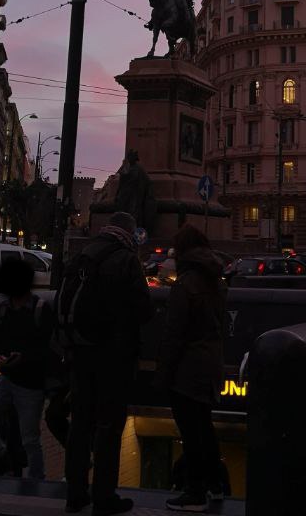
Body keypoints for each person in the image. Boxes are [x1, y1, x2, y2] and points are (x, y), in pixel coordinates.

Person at [60, 211, 153, 515]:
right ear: (129, 232)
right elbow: (143, 308)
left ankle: (75, 492)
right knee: (109, 426)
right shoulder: (127, 259)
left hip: (80, 350)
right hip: (113, 354)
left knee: (80, 423)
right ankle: (104, 496)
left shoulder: (83, 254)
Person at [157, 225, 227, 513]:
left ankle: (194, 492)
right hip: (211, 361)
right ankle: (217, 485)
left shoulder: (186, 283)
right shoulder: (216, 280)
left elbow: (174, 333)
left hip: (188, 366)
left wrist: (163, 375)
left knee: (192, 431)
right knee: (204, 427)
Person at [0, 258, 52, 478]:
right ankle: (33, 477)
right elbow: (47, 348)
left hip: (23, 381)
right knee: (27, 437)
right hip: (20, 380)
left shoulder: (5, 310)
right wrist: (4, 357)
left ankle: (5, 461)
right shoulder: (35, 310)